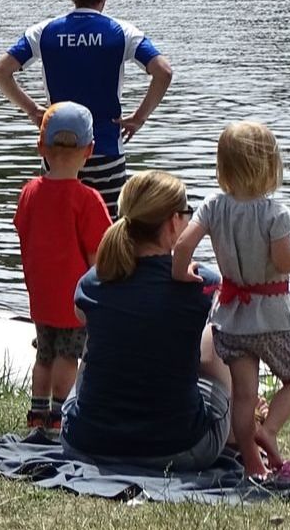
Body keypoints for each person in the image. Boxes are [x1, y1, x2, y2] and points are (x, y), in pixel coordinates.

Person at [172, 121, 290, 476]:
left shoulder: (213, 205)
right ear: (270, 166)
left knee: (243, 394)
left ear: (222, 166)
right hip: (271, 317)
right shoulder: (275, 213)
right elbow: (286, 262)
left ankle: (253, 466)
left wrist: (180, 273)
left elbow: (182, 245)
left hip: (231, 317)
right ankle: (267, 431)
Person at [59, 171, 231, 472]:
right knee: (219, 336)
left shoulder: (92, 282)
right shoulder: (203, 283)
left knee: (96, 342)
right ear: (173, 222)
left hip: (85, 445)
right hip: (183, 449)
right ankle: (244, 427)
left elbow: (81, 316)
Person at [0, 0, 174, 214]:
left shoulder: (44, 32)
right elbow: (163, 72)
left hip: (58, 153)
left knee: (61, 227)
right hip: (106, 148)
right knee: (107, 235)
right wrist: (139, 118)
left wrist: (33, 111)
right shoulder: (122, 32)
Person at [12, 102, 111, 435]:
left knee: (44, 353)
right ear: (90, 150)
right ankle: (59, 419)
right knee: (68, 357)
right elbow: (99, 256)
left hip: (40, 293)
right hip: (74, 297)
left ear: (41, 146)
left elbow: (23, 230)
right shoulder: (88, 199)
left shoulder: (29, 192)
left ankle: (36, 416)